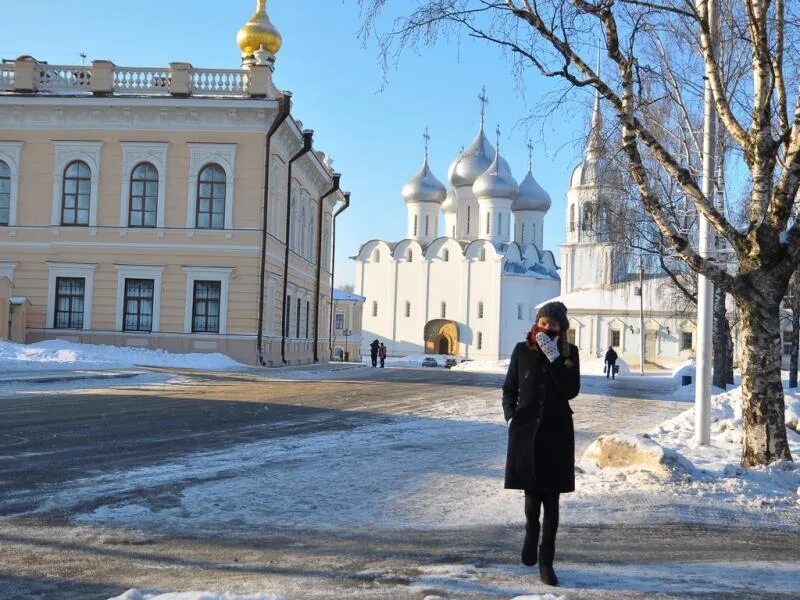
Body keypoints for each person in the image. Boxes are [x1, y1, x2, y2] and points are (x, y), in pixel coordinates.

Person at [502, 301, 580, 587]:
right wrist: (511, 418)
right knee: (532, 497)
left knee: (552, 499)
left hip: (557, 432)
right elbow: (509, 389)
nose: (548, 328)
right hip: (527, 432)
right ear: (537, 322)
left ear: (562, 327)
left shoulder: (570, 354)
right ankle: (530, 532)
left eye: (553, 324)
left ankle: (546, 561)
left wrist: (555, 357)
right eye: (544, 323)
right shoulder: (521, 350)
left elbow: (572, 390)